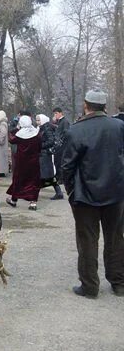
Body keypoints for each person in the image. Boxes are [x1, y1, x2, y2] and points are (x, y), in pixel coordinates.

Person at [61, 89, 124, 298]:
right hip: (115, 193)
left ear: (85, 105)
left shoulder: (76, 130)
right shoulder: (119, 127)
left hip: (86, 195)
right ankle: (119, 282)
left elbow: (67, 167)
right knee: (115, 238)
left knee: (87, 240)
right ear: (105, 106)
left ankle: (90, 286)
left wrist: (71, 192)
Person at [6, 116, 42, 210]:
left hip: (21, 162)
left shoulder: (20, 135)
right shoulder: (36, 133)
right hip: (34, 161)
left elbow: (11, 139)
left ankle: (14, 200)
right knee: (33, 181)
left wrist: (16, 129)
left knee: (18, 180)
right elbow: (40, 146)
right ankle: (33, 202)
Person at [36, 114, 63, 199]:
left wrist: (40, 145)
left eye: (38, 120)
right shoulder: (42, 128)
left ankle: (34, 193)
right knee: (46, 174)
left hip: (45, 154)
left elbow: (50, 141)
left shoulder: (46, 128)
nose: (37, 122)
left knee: (45, 174)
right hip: (44, 154)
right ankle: (58, 192)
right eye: (36, 120)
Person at [52, 106, 70, 199]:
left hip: (62, 146)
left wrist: (61, 142)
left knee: (60, 162)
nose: (55, 115)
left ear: (60, 113)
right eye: (54, 114)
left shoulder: (65, 121)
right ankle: (59, 177)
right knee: (57, 162)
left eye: (56, 113)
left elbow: (66, 133)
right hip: (58, 145)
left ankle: (61, 178)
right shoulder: (58, 122)